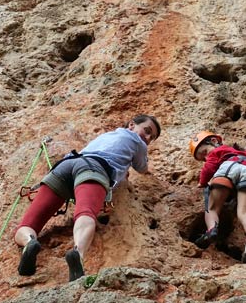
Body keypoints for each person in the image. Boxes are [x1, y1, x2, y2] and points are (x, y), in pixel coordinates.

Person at [14, 114, 162, 281]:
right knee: (85, 213)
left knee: (28, 224)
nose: (147, 138)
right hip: (94, 169)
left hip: (66, 165)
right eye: (147, 131)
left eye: (152, 137)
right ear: (131, 125)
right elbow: (141, 168)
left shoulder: (107, 135)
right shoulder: (137, 141)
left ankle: (29, 241)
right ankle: (78, 253)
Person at [188, 131, 246, 264]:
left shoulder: (220, 150)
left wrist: (202, 182)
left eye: (204, 153)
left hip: (228, 167)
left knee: (212, 208)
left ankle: (211, 230)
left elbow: (209, 167)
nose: (206, 158)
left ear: (214, 142)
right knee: (244, 212)